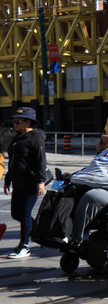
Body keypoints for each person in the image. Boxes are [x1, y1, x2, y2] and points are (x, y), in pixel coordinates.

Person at [3, 107, 48, 259]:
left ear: (28, 122)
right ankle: (41, 232)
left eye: (18, 121)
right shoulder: (17, 138)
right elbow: (14, 161)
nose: (14, 123)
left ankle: (24, 246)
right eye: (13, 121)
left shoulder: (36, 137)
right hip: (18, 181)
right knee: (16, 213)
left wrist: (41, 181)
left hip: (31, 181)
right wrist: (7, 180)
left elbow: (41, 160)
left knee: (24, 213)